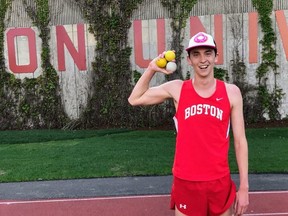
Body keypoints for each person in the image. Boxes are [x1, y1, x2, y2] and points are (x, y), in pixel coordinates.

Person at [128, 32, 249, 216]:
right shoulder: (177, 89)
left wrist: (244, 188)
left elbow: (240, 142)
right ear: (189, 59)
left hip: (219, 181)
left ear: (216, 57)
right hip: (186, 181)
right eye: (196, 54)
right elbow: (135, 99)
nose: (203, 59)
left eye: (208, 53)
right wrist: (152, 69)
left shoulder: (231, 93)